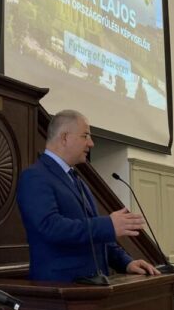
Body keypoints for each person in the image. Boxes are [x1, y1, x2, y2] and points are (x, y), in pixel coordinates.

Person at [17, 109, 160, 282]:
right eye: (85, 136)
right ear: (65, 137)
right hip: (60, 287)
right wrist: (108, 225)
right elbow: (50, 227)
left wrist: (126, 262)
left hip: (89, 286)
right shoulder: (35, 176)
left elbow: (94, 238)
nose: (91, 143)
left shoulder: (77, 180)